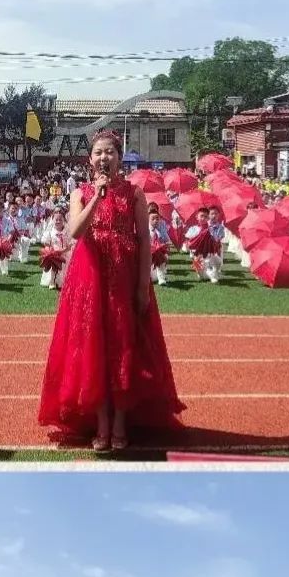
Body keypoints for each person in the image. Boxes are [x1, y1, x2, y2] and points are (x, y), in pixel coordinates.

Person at [39, 133, 183, 451]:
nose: (104, 157)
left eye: (110, 152)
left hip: (124, 276)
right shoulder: (81, 192)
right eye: (98, 153)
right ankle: (101, 424)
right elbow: (76, 231)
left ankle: (119, 423)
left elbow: (145, 239)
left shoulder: (135, 193)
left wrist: (143, 285)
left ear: (119, 157)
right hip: (88, 280)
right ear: (90, 160)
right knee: (93, 349)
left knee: (123, 346)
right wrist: (97, 198)